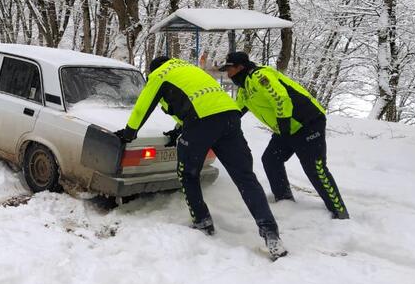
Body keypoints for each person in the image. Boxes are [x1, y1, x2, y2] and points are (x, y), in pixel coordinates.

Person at [115, 56, 287, 259]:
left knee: (187, 173)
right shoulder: (190, 70)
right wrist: (178, 129)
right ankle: (271, 234)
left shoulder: (159, 75)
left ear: (154, 70)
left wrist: (129, 133)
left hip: (201, 123)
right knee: (246, 178)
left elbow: (143, 106)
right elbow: (199, 101)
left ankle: (202, 221)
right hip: (230, 117)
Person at [219, 51, 349, 219]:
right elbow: (235, 111)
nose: (227, 74)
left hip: (307, 123)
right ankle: (284, 199)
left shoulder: (260, 76)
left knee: (315, 169)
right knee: (271, 159)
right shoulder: (245, 89)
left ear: (240, 67)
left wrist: (284, 125)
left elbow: (281, 98)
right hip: (287, 127)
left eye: (229, 69)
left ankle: (339, 212)